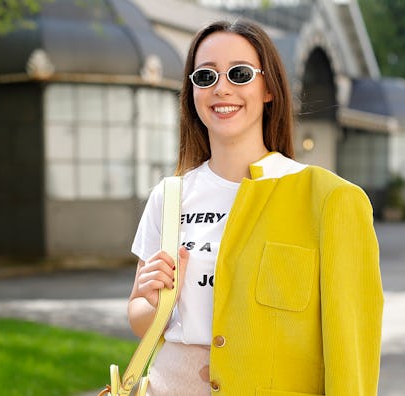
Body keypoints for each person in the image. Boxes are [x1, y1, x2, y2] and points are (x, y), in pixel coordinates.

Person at [128, 19, 383, 396]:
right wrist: (153, 300)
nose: (222, 88)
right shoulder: (169, 197)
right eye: (205, 76)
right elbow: (139, 319)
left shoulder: (329, 199)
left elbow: (351, 351)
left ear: (268, 89)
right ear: (192, 91)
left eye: (240, 74)